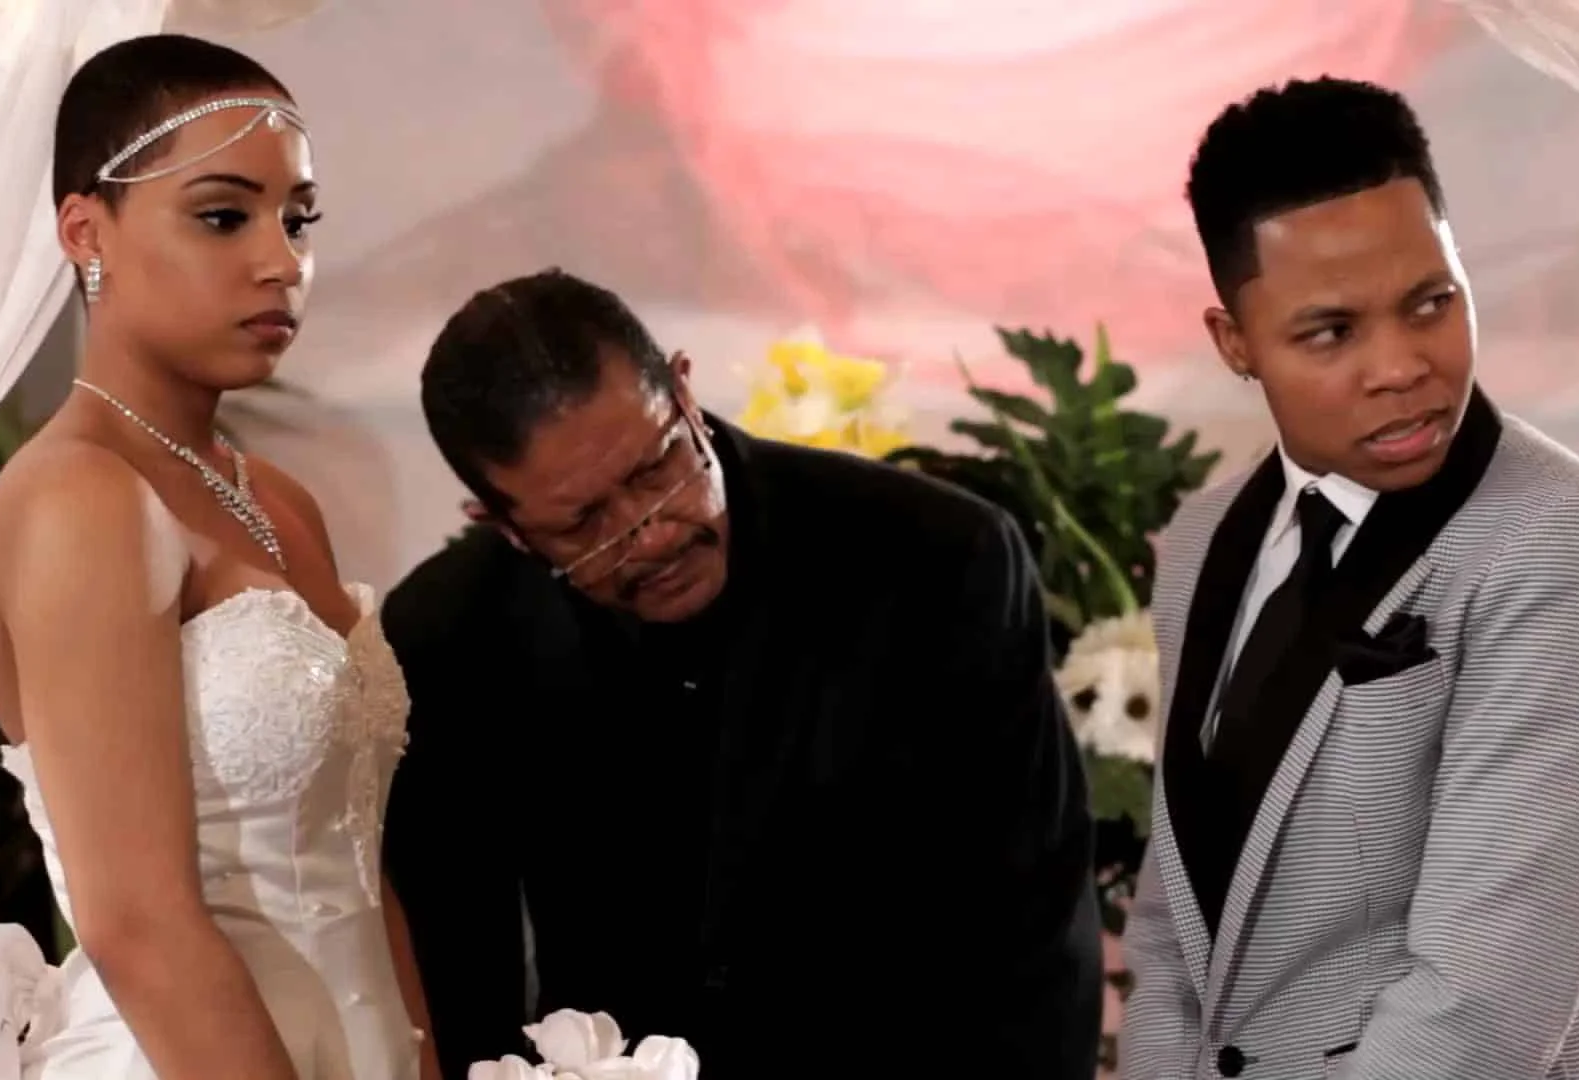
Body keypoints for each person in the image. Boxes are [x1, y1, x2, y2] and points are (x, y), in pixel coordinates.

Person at [381, 269, 1104, 1079]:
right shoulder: (449, 635)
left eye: (657, 468)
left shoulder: (935, 558)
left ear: (684, 394)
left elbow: (1036, 938)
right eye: (584, 522)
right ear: (504, 526)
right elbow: (460, 979)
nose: (651, 536)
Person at [1118, 78, 1579, 1079]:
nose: (1402, 366)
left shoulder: (1570, 544)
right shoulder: (1204, 539)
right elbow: (1174, 934)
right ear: (1235, 343)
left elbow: (1480, 1005)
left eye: (1432, 303)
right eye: (1332, 333)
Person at [0, 35, 437, 1080]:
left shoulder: (279, 501)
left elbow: (358, 865)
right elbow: (138, 926)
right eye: (222, 216)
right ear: (86, 231)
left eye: (299, 219)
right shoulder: (78, 499)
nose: (280, 260)